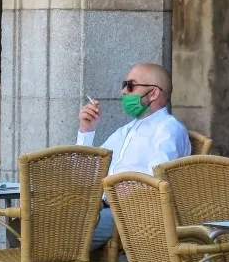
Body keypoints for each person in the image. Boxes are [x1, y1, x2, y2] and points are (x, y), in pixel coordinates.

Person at [77, 63, 191, 250]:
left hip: (131, 214)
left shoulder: (168, 130)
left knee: (57, 232)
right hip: (100, 207)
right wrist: (87, 131)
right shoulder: (126, 130)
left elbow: (156, 182)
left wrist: (111, 197)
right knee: (27, 222)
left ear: (153, 93)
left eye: (130, 85)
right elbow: (87, 171)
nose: (123, 91)